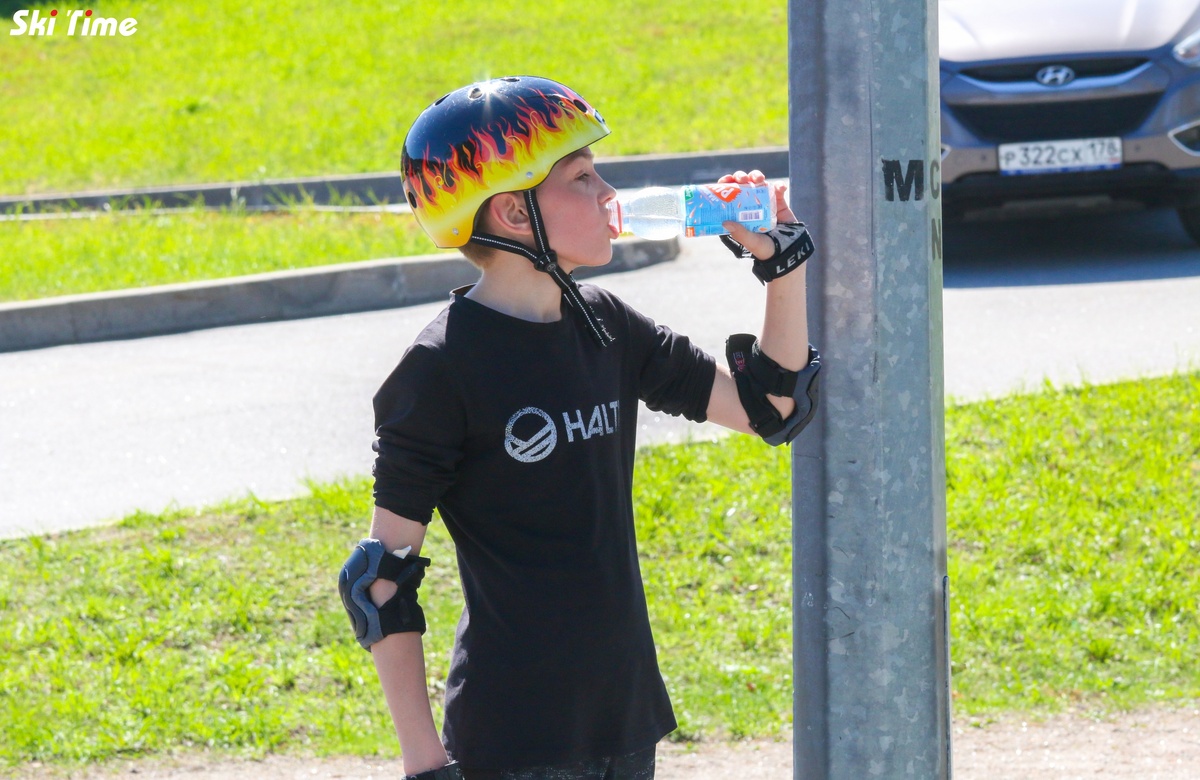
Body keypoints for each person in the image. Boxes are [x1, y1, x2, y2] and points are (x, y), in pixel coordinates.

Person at [337, 76, 820, 780]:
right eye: (582, 177)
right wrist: (425, 767)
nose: (607, 194)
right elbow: (378, 578)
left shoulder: (606, 324)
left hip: (623, 718)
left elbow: (770, 410)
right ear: (512, 211)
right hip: (510, 741)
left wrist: (782, 262)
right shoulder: (440, 368)